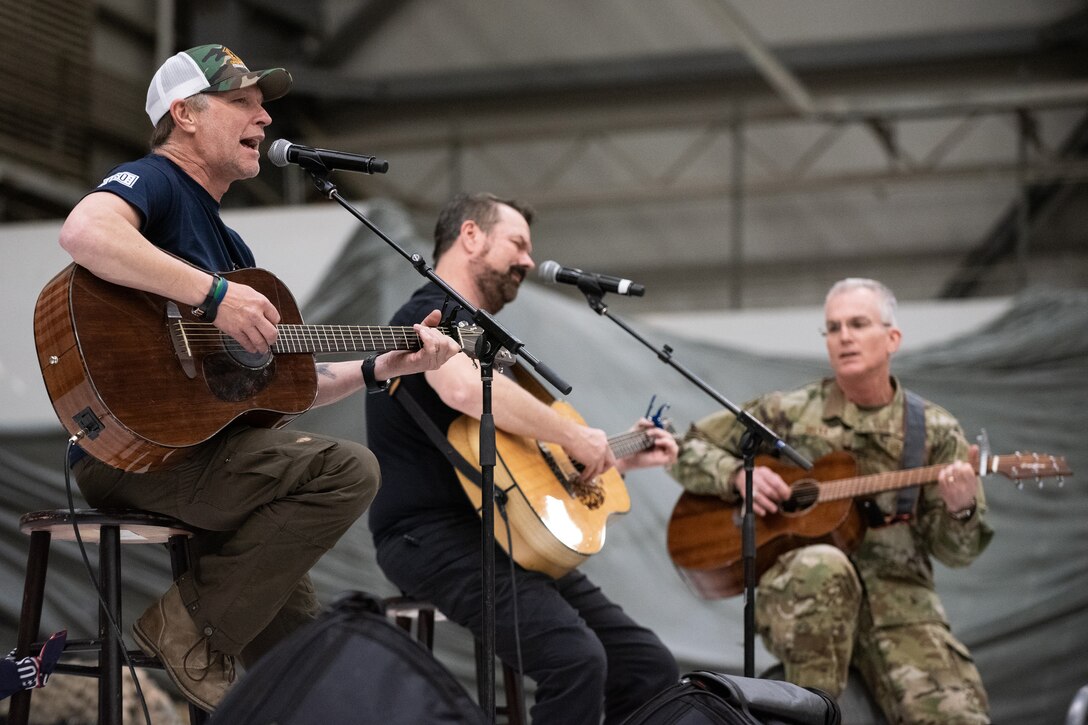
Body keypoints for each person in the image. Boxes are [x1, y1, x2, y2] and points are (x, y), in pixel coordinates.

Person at [55, 44, 461, 711]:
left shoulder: (233, 249)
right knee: (348, 469)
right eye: (242, 101)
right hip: (133, 449)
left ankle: (220, 644)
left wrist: (377, 365)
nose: (265, 118)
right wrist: (214, 297)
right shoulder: (155, 182)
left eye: (262, 104)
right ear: (185, 114)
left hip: (212, 462)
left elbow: (283, 389)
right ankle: (189, 631)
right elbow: (84, 232)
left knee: (307, 662)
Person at [365, 192, 681, 723]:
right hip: (433, 535)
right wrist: (578, 438)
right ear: (471, 236)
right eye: (518, 243)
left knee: (647, 666)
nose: (529, 261)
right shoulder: (428, 314)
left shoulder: (490, 341)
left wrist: (615, 456)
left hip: (504, 533)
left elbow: (526, 461)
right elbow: (465, 393)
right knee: (575, 661)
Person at [668, 278, 993, 724]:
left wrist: (961, 506)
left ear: (892, 337)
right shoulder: (789, 411)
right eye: (834, 328)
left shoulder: (935, 430)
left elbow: (957, 552)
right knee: (823, 566)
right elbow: (687, 445)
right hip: (805, 593)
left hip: (900, 608)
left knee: (957, 717)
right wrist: (736, 478)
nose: (844, 336)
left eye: (858, 324)